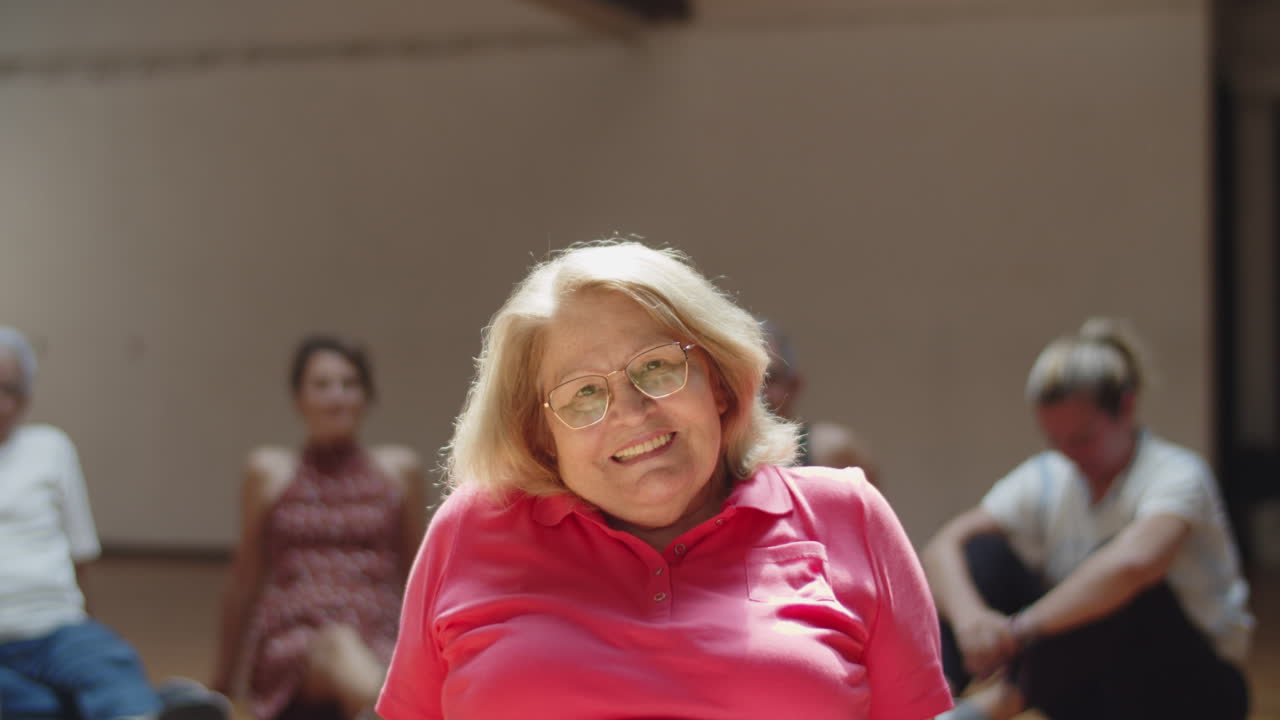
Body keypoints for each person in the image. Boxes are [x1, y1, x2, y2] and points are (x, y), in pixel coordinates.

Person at [377, 241, 952, 720]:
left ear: (720, 381)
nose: (629, 412)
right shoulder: (472, 530)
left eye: (656, 366)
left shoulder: (847, 515)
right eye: (583, 393)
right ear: (540, 435)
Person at [922, 319, 1254, 720]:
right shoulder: (1051, 475)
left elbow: (1134, 564)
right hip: (1089, 684)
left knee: (1115, 577)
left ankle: (989, 708)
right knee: (982, 552)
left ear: (1126, 407)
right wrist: (972, 619)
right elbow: (943, 546)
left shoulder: (1178, 474)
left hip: (1188, 690)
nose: (1069, 455)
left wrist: (1019, 631)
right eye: (1055, 441)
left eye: (1082, 439)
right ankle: (930, 702)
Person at [0, 327, 230, 720]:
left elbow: (80, 559)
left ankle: (140, 709)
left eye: (11, 390)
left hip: (56, 629)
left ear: (29, 396)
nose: (1, 403)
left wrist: (85, 634)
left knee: (110, 665)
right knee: (36, 705)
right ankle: (163, 703)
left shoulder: (51, 448)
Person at [212, 335, 425, 720]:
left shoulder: (398, 470)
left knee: (357, 652)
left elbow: (419, 575)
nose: (337, 396)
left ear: (366, 397)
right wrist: (221, 684)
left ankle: (382, 706)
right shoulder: (269, 471)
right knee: (336, 644)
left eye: (349, 384)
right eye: (322, 385)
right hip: (295, 639)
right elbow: (244, 580)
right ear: (299, 398)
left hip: (378, 630)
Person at [761, 320, 880, 485]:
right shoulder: (719, 459)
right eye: (745, 381)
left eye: (770, 379)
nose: (758, 394)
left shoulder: (831, 451)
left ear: (794, 385)